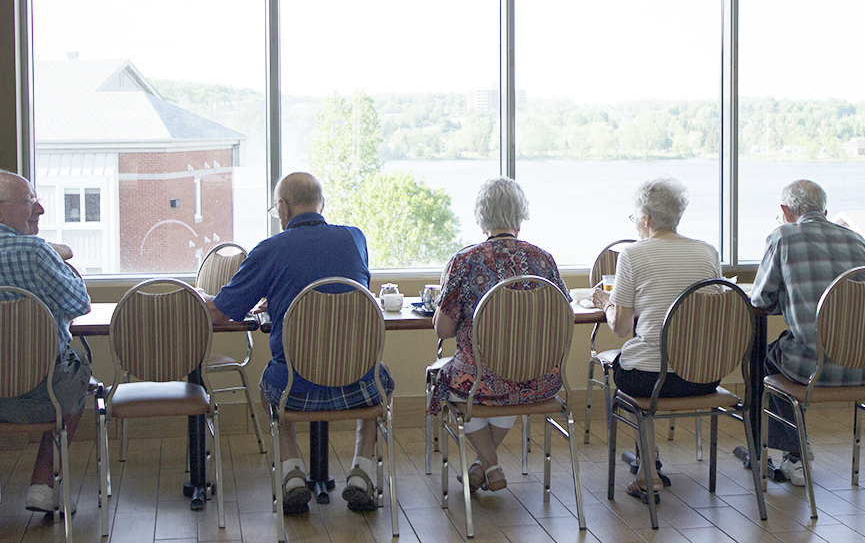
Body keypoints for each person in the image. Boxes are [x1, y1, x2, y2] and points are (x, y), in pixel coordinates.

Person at [202, 172, 394, 514]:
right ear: (322, 204)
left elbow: (220, 313)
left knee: (268, 383)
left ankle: (292, 475)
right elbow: (356, 291)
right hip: (360, 385)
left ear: (282, 207)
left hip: (294, 389)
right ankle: (362, 473)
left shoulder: (270, 250)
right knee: (383, 380)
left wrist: (199, 298)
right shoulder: (355, 239)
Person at [427, 177, 570, 493]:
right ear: (520, 216)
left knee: (458, 381)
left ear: (481, 218)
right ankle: (485, 466)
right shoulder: (543, 260)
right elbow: (565, 316)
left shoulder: (464, 261)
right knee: (509, 378)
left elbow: (443, 329)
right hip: (539, 379)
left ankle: (488, 465)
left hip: (480, 381)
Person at [590, 176, 722, 503]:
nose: (635, 225)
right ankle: (649, 465)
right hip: (703, 376)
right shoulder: (708, 252)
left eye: (635, 218)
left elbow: (620, 328)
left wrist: (607, 304)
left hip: (651, 379)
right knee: (645, 364)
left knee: (629, 371)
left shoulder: (633, 255)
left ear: (647, 219)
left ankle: (648, 471)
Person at [750, 179, 865, 487]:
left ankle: (791, 455)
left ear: (785, 211)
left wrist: (789, 295)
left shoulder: (782, 237)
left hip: (814, 369)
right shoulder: (858, 240)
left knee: (765, 360)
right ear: (825, 210)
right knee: (782, 352)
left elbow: (760, 301)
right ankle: (790, 453)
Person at [0, 171, 92, 514]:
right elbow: (79, 304)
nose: (39, 209)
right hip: (43, 395)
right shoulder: (36, 252)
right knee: (76, 368)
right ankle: (42, 481)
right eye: (28, 202)